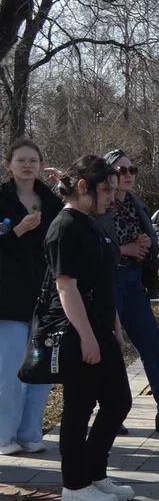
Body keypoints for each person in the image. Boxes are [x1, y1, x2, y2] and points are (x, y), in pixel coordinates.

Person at [49, 156, 133, 501]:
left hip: (100, 326)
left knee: (118, 401)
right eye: (106, 190)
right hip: (76, 330)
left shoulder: (93, 223)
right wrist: (85, 336)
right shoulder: (65, 226)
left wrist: (114, 327)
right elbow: (66, 286)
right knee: (78, 408)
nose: (112, 197)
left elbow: (104, 281)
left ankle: (95, 473)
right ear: (84, 187)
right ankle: (75, 486)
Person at [100, 149, 159, 433]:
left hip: (134, 280)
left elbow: (151, 236)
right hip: (108, 281)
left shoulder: (134, 203)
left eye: (132, 170)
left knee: (154, 346)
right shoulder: (99, 205)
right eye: (121, 170)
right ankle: (110, 413)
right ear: (107, 174)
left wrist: (145, 246)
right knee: (111, 349)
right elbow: (89, 246)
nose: (128, 175)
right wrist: (124, 249)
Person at [0, 140, 63, 455]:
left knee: (40, 372)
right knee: (9, 371)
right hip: (8, 299)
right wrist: (18, 231)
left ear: (41, 165)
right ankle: (3, 435)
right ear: (8, 164)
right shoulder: (2, 198)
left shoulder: (51, 201)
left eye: (33, 160)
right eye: (21, 160)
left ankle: (30, 432)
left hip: (45, 297)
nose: (27, 165)